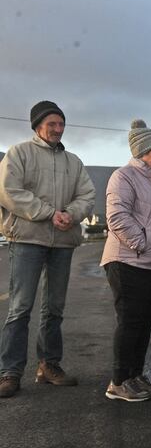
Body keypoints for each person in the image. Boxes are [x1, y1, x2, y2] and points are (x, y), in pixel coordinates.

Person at [0, 101, 96, 398]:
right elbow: (8, 191)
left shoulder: (73, 161)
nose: (58, 129)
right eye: (52, 123)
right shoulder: (19, 153)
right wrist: (48, 212)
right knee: (20, 307)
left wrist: (70, 212)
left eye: (61, 123)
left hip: (62, 243)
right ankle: (10, 372)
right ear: (37, 125)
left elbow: (87, 195)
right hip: (27, 239)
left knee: (54, 308)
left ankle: (49, 366)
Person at [101, 120, 151, 402]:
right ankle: (119, 381)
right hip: (128, 261)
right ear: (143, 151)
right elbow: (117, 217)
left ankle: (135, 375)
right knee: (130, 319)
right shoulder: (123, 177)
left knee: (146, 319)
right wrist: (143, 245)